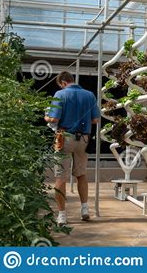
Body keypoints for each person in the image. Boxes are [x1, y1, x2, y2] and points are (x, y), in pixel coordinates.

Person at [45, 71, 100, 226]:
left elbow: (54, 119)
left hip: (64, 138)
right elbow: (95, 119)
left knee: (61, 176)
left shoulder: (60, 94)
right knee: (81, 174)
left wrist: (47, 117)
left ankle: (62, 215)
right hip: (83, 139)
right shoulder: (89, 95)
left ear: (63, 82)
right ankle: (84, 209)